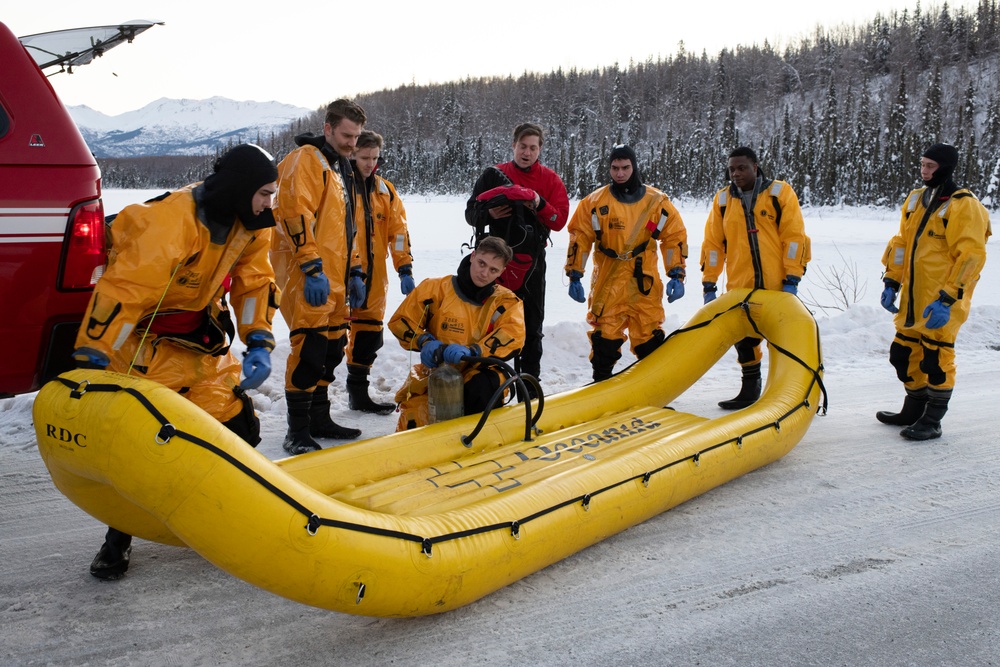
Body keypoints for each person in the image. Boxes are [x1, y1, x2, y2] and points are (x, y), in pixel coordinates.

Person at [71, 143, 281, 580]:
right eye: (264, 193)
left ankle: (210, 513)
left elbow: (254, 283)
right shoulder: (168, 224)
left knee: (238, 428)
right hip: (145, 348)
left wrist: (258, 337)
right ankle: (117, 541)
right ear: (242, 189)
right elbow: (124, 295)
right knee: (138, 448)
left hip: (200, 346)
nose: (269, 203)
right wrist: (94, 355)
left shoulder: (251, 223)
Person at [271, 99, 368, 455]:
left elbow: (346, 227)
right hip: (308, 276)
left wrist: (355, 268)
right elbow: (293, 214)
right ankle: (296, 431)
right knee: (309, 350)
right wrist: (311, 268)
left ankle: (319, 418)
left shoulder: (338, 167)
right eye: (346, 135)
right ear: (328, 128)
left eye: (356, 137)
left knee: (330, 350)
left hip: (337, 278)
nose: (352, 143)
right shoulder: (307, 161)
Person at [876, 143, 991, 440]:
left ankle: (933, 420)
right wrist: (891, 280)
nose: (924, 170)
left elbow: (971, 256)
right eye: (922, 164)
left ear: (946, 167)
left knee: (936, 361)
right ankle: (913, 408)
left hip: (943, 300)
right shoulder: (916, 199)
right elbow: (902, 244)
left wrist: (949, 298)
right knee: (902, 354)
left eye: (930, 166)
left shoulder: (962, 205)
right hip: (912, 299)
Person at [564, 144, 688, 381]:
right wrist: (574, 275)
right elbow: (579, 238)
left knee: (649, 338)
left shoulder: (656, 202)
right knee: (605, 340)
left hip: (644, 283)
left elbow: (674, 237)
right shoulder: (594, 203)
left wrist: (676, 273)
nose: (620, 173)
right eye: (615, 168)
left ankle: (653, 390)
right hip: (608, 283)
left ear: (634, 167)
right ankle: (601, 385)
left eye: (625, 167)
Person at [701, 146, 811, 409]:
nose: (736, 174)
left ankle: (792, 393)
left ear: (755, 166)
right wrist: (709, 282)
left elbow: (793, 238)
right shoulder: (724, 199)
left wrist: (792, 278)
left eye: (741, 168)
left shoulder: (779, 193)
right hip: (741, 286)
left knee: (782, 341)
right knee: (745, 340)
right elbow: (713, 245)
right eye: (731, 169)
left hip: (777, 287)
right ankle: (750, 389)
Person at [465, 122, 569, 393]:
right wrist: (489, 215)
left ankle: (529, 386)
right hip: (493, 264)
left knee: (532, 325)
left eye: (533, 148)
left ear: (540, 149)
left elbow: (559, 220)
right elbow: (470, 213)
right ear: (513, 145)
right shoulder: (494, 174)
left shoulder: (550, 179)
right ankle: (491, 384)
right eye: (522, 146)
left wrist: (538, 203)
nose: (527, 152)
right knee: (492, 322)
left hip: (532, 262)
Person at [388, 236, 525, 431]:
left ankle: (478, 441)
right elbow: (401, 322)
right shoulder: (435, 289)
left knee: (484, 386)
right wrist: (424, 341)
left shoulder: (506, 302)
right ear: (473, 256)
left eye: (493, 270)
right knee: (417, 416)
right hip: (436, 371)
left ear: (502, 272)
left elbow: (513, 335)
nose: (484, 273)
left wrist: (475, 351)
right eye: (481, 264)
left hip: (478, 372)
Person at [345, 130, 415, 414]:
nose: (369, 163)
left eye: (374, 158)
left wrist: (405, 267)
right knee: (330, 338)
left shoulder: (385, 191)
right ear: (352, 154)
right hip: (345, 273)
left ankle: (358, 394)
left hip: (376, 277)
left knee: (370, 335)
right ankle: (315, 403)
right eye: (364, 157)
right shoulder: (340, 186)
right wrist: (352, 270)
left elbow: (398, 232)